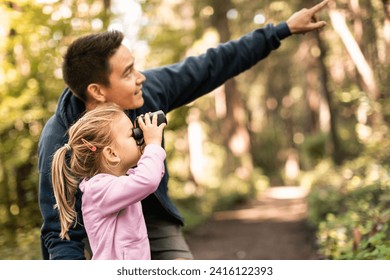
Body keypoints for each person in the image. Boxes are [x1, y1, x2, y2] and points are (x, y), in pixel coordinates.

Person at [38, 0, 329, 260]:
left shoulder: (147, 92)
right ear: (97, 91)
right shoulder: (60, 140)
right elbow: (60, 232)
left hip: (150, 214)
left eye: (135, 67)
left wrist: (281, 30)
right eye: (127, 73)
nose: (141, 78)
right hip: (99, 231)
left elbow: (212, 64)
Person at [50, 104, 166, 259]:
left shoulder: (117, 183)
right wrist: (153, 144)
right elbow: (148, 179)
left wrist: (147, 150)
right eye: (133, 134)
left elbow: (151, 173)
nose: (139, 136)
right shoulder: (99, 190)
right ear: (111, 154)